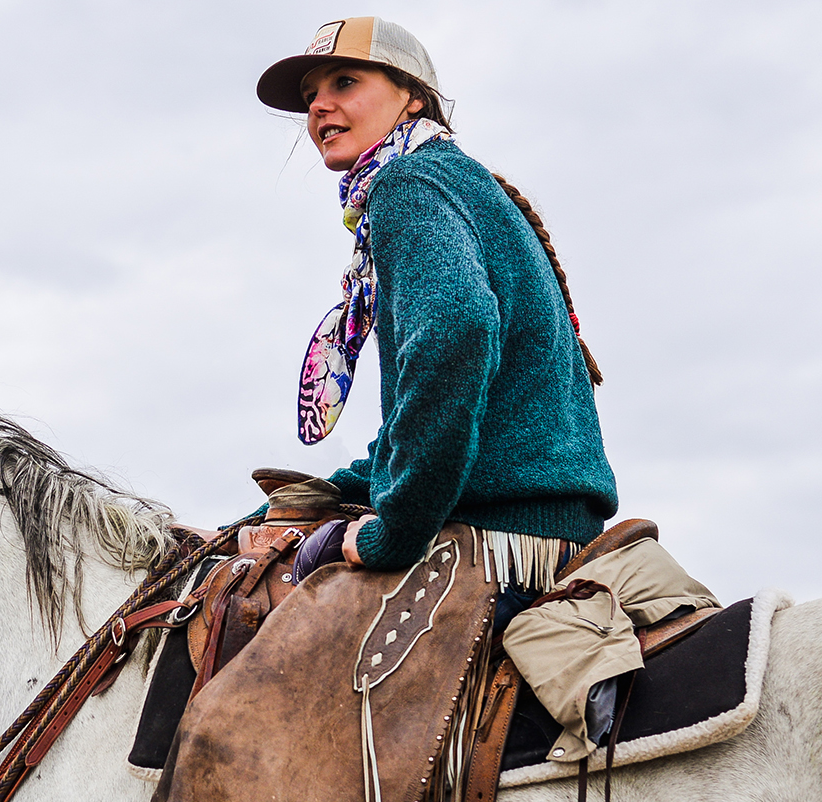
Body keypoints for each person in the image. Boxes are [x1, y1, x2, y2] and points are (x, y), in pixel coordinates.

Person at [254, 16, 718, 765]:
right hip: (557, 524)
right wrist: (333, 491)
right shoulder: (463, 185)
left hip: (498, 541)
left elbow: (455, 334)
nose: (318, 108)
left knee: (274, 721)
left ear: (413, 98)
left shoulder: (405, 187)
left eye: (344, 83)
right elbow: (427, 406)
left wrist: (389, 532)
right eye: (310, 95)